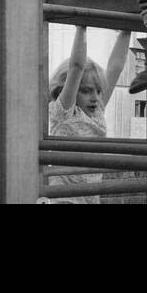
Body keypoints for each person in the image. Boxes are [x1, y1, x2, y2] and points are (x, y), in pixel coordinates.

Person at [44, 25, 131, 204]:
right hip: (66, 198)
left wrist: (126, 31)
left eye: (98, 91)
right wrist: (81, 26)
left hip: (91, 195)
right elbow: (76, 67)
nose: (95, 97)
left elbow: (115, 67)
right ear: (71, 90)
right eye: (86, 91)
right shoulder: (65, 112)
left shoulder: (97, 111)